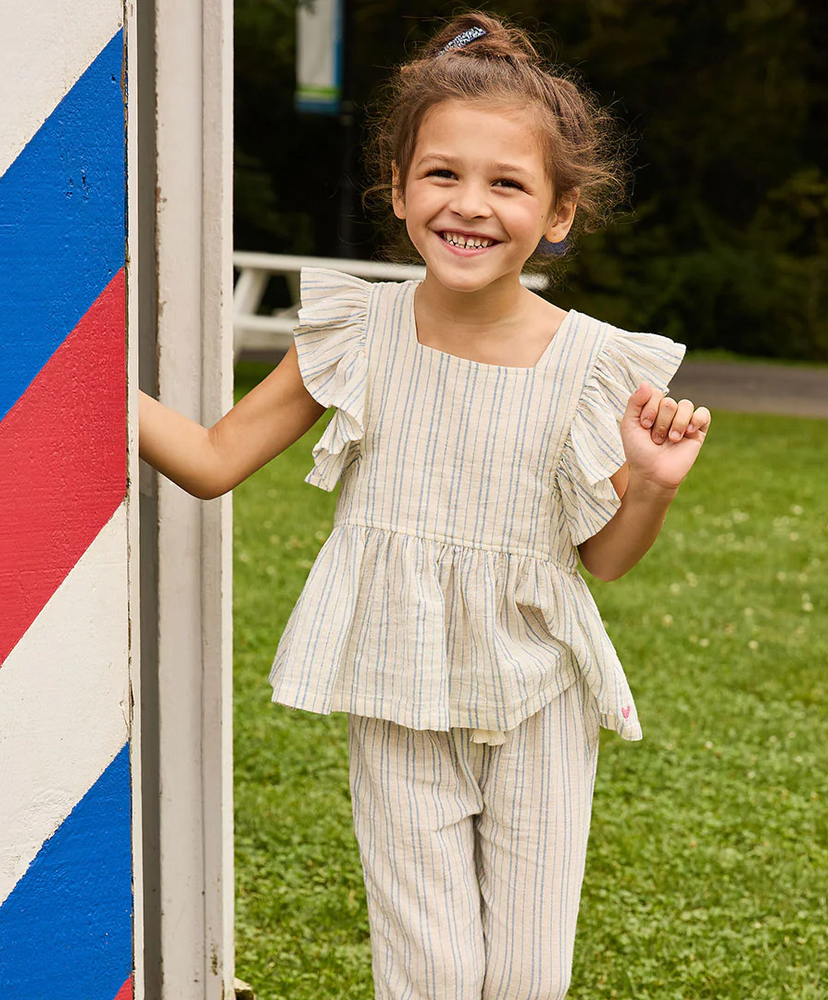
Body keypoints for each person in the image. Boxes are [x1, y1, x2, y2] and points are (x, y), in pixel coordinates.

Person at [140, 12, 711, 999]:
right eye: (441, 173)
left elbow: (607, 559)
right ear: (397, 188)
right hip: (395, 686)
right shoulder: (355, 332)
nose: (470, 206)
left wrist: (651, 486)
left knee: (527, 978)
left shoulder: (592, 364)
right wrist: (58, 362)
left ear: (559, 212)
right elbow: (209, 458)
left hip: (539, 700)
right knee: (435, 975)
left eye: (508, 184)